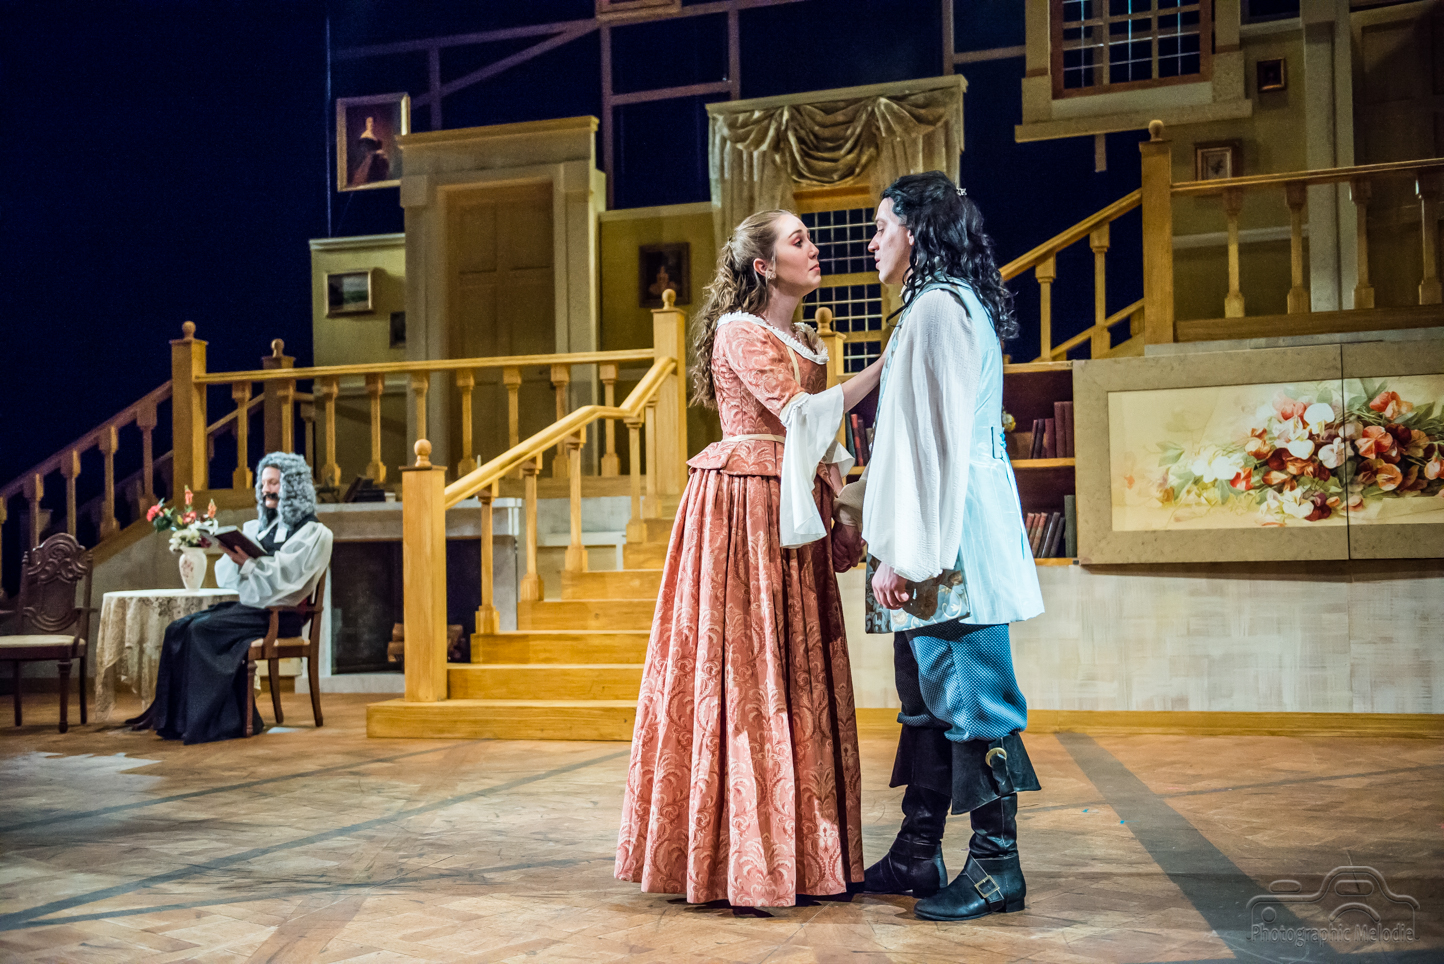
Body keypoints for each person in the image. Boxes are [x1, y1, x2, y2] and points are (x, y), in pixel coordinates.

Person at [616, 210, 883, 907]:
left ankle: (803, 855)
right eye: (798, 240)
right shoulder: (740, 331)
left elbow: (823, 443)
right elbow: (802, 416)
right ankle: (735, 856)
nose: (813, 247)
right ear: (764, 266)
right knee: (746, 671)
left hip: (793, 508)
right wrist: (884, 367)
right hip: (743, 510)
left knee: (795, 672)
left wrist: (843, 513)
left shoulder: (808, 339)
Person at [857, 172, 1045, 921]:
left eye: (881, 227)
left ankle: (997, 866)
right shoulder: (935, 305)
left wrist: (905, 555)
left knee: (975, 704)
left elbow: (936, 445)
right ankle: (918, 850)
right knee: (926, 705)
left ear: (917, 228)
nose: (873, 242)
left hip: (945, 542)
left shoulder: (939, 306)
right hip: (934, 534)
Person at [128, 452, 333, 744]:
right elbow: (232, 580)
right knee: (178, 628)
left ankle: (215, 722)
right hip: (252, 609)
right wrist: (234, 557)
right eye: (263, 484)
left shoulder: (314, 533)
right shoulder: (261, 527)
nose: (266, 490)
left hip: (281, 615)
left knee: (201, 630)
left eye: (274, 483)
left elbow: (289, 580)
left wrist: (248, 564)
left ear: (293, 486)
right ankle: (174, 720)